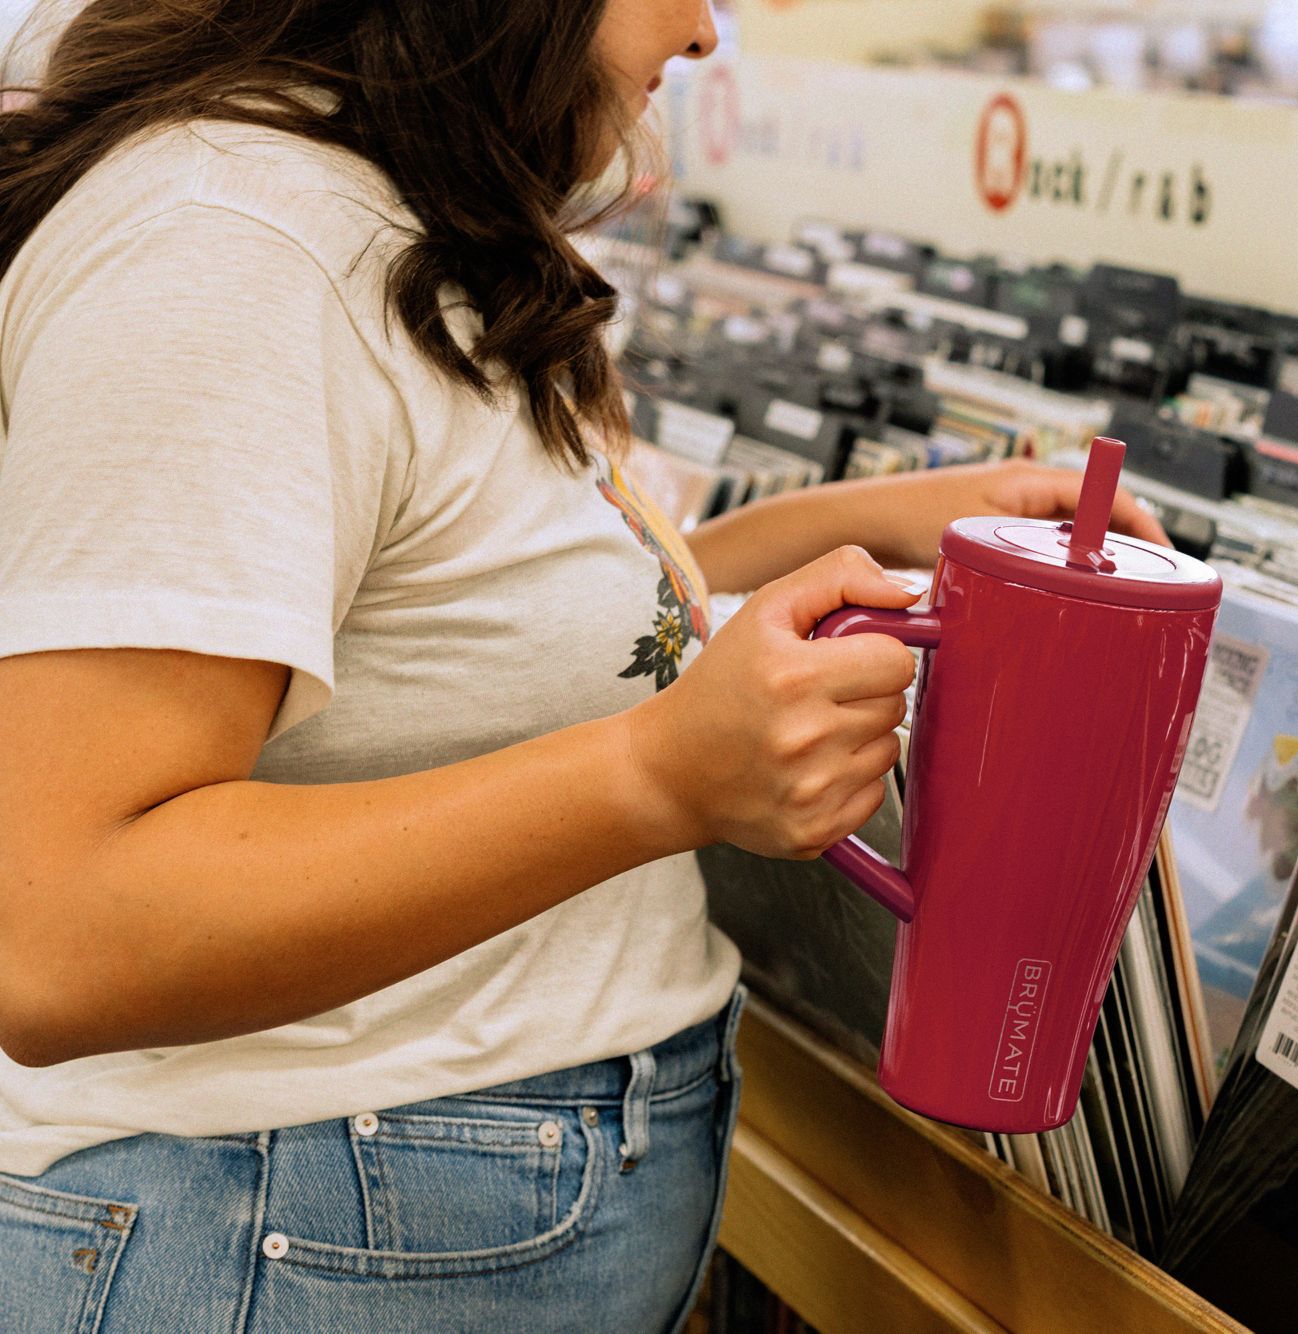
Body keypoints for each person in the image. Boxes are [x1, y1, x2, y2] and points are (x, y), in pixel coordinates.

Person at [0, 0, 1166, 1328]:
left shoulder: (407, 203)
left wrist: (878, 517)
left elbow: (481, 612)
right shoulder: (234, 246)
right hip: (285, 1220)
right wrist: (660, 778)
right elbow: (64, 928)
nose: (711, 31)